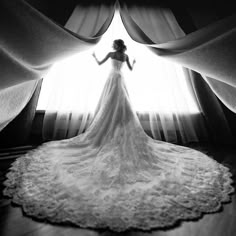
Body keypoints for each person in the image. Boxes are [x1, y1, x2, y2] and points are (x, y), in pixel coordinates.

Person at [3, 39, 234, 232]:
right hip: (120, 82)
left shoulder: (112, 54)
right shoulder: (123, 57)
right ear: (124, 48)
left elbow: (100, 62)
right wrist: (132, 60)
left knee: (110, 108)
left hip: (111, 81)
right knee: (121, 109)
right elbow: (131, 69)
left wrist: (95, 56)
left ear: (115, 46)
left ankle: (109, 131)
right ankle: (118, 130)